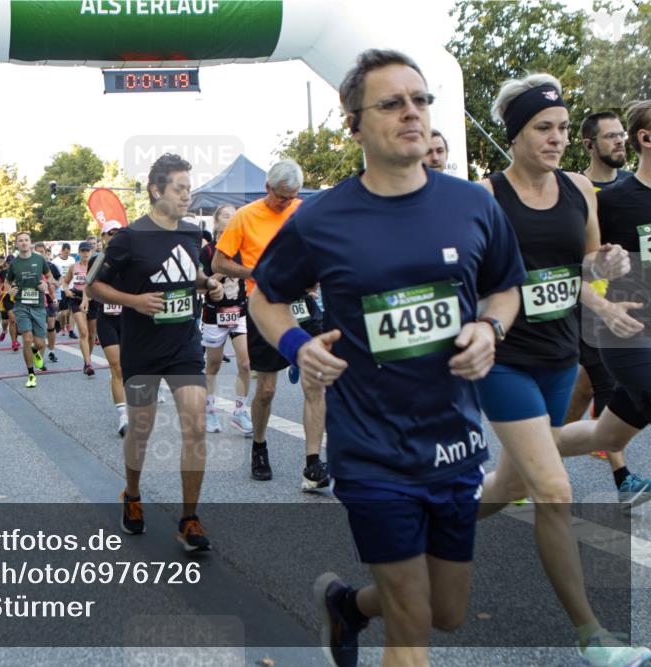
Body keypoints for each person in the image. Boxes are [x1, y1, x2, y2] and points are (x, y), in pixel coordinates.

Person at [250, 49, 525, 667]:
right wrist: (298, 344)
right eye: (392, 103)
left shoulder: (472, 204)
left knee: (445, 611)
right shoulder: (323, 218)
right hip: (373, 451)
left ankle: (348, 606)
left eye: (420, 100)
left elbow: (507, 288)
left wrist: (490, 328)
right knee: (412, 626)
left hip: (455, 445)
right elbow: (266, 296)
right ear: (354, 124)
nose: (412, 113)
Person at [474, 74, 649, 667]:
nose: (557, 139)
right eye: (543, 128)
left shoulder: (579, 189)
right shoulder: (486, 197)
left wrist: (608, 266)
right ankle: (592, 636)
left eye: (563, 128)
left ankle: (427, 527)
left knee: (508, 486)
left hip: (558, 356)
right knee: (553, 489)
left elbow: (587, 263)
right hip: (505, 361)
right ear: (515, 134)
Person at [88, 153, 223, 553]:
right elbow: (93, 286)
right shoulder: (130, 237)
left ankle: (189, 519)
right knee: (141, 430)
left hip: (183, 345)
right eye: (179, 189)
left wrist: (207, 284)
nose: (186, 195)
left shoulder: (192, 233)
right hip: (142, 347)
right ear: (156, 190)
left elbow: (187, 271)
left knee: (195, 425)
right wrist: (134, 301)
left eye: (189, 188)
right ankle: (131, 494)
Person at [213, 159, 329, 491]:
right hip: (264, 305)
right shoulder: (245, 216)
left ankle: (313, 463)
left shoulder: (302, 211)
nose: (286, 202)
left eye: (292, 196)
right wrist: (256, 273)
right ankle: (259, 446)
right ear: (267, 188)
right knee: (266, 389)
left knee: (314, 383)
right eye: (281, 196)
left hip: (301, 305)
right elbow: (219, 262)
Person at [557, 100, 651, 504]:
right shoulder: (610, 200)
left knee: (604, 431)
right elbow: (576, 264)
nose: (617, 142)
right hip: (620, 328)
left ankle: (530, 455)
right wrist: (602, 275)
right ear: (646, 138)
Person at [200, 204, 252, 436]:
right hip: (214, 314)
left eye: (234, 215)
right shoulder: (207, 251)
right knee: (213, 365)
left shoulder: (244, 248)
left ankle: (240, 412)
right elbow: (200, 287)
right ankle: (209, 410)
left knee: (246, 364)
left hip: (239, 311)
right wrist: (221, 270)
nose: (231, 219)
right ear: (216, 221)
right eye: (226, 215)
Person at [89, 220, 128, 436]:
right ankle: (123, 417)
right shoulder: (97, 259)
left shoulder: (132, 258)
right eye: (109, 233)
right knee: (117, 367)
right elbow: (89, 286)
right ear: (103, 237)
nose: (113, 236)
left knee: (132, 367)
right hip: (106, 318)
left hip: (129, 318)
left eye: (117, 233)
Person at [5, 231, 56, 388]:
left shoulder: (39, 259)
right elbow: (7, 282)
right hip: (21, 306)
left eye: (26, 240)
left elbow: (50, 277)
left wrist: (46, 284)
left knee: (40, 343)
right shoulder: (14, 263)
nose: (23, 243)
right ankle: (31, 374)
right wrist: (9, 290)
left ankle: (36, 353)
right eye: (20, 240)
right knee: (27, 339)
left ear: (30, 242)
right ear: (17, 244)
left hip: (38, 305)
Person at [63, 241, 96, 376]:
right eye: (83, 251)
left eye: (87, 251)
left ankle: (88, 358)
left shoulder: (96, 267)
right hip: (76, 298)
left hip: (93, 300)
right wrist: (66, 290)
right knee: (83, 332)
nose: (85, 253)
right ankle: (88, 363)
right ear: (79, 253)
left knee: (92, 334)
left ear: (91, 252)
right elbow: (65, 282)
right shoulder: (73, 267)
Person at [581, 111, 634, 189]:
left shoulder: (634, 183)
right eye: (610, 136)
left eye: (622, 135)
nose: (620, 141)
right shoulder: (574, 188)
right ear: (589, 145)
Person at [34, 242, 61, 363]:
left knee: (50, 324)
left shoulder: (50, 266)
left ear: (46, 253)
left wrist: (56, 285)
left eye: (42, 252)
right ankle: (37, 355)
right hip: (34, 299)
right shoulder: (31, 265)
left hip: (48, 297)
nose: (40, 254)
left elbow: (58, 279)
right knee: (38, 329)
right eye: (38, 252)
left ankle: (51, 351)